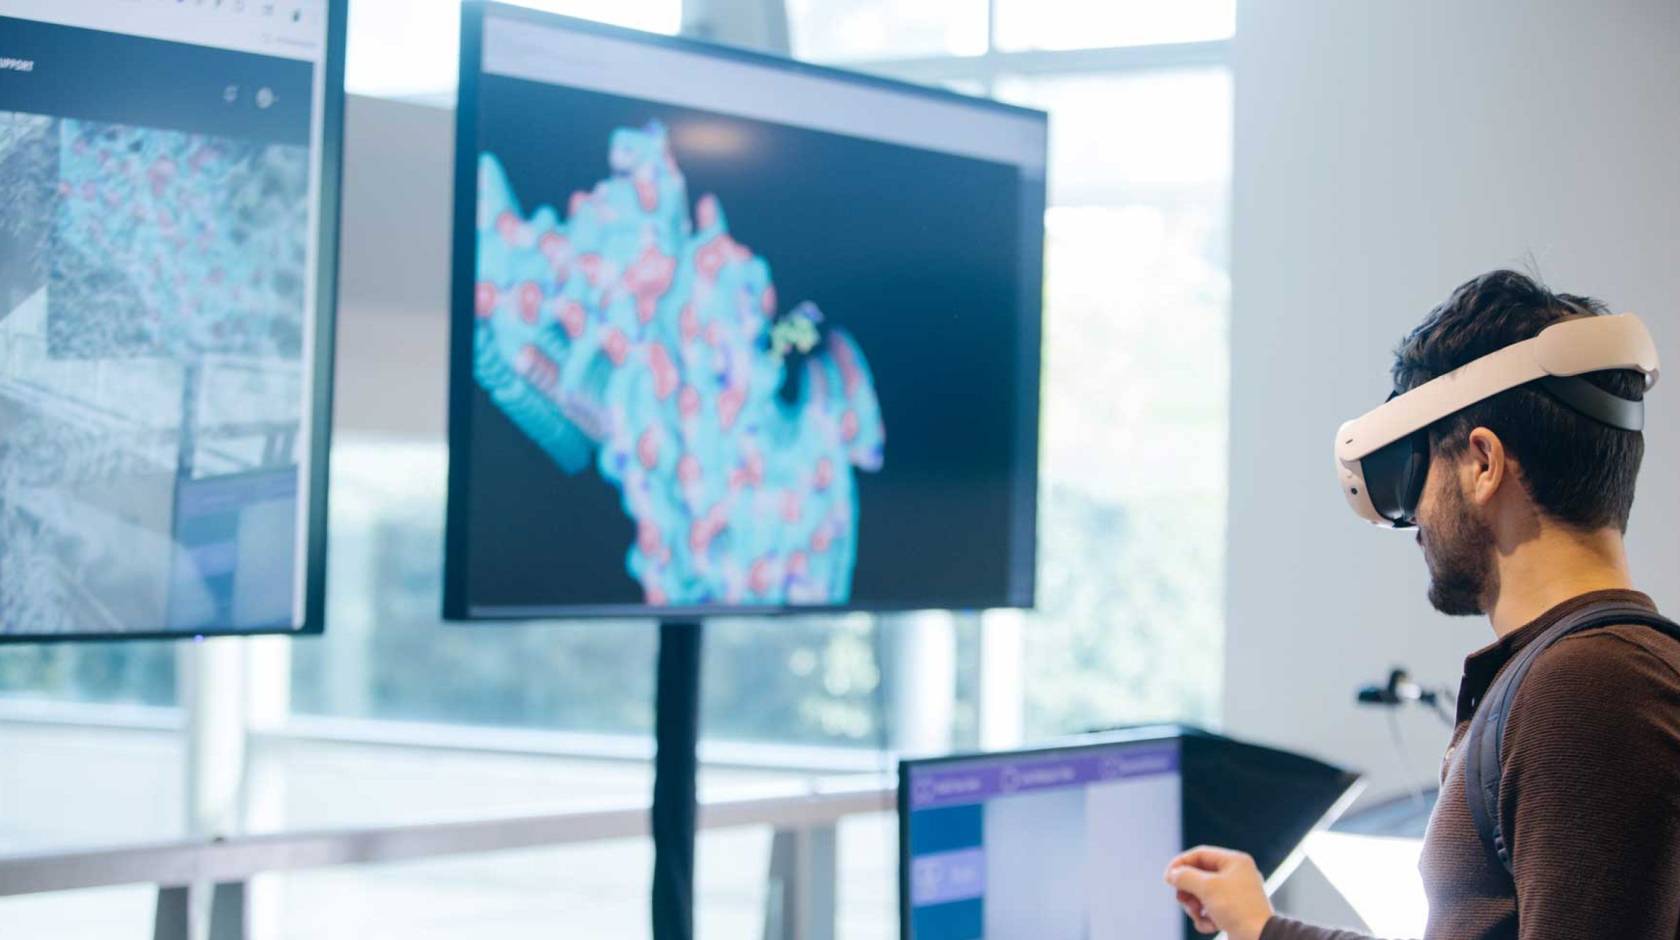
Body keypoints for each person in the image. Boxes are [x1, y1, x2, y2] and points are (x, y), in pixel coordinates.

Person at [1164, 270, 1680, 939]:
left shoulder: (1590, 691)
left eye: (1419, 475)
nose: (1415, 523)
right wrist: (1263, 927)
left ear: (1482, 464)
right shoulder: (1576, 678)